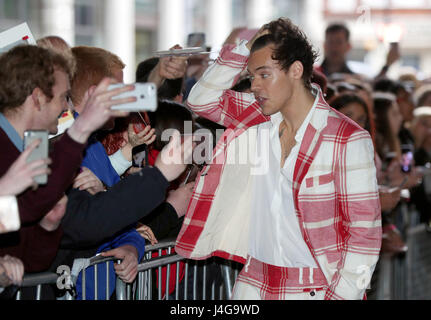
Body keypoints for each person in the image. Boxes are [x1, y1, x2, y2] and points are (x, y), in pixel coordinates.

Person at [176, 18, 381, 300]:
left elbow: (364, 236)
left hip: (315, 288)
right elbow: (200, 99)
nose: (255, 86)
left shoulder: (347, 138)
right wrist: (247, 45)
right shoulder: (256, 117)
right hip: (253, 283)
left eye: (264, 75)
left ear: (296, 70)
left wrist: (343, 296)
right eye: (251, 77)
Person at [0, 45, 133, 272]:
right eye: (64, 97)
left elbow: (26, 252)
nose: (66, 107)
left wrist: (47, 227)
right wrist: (81, 129)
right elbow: (34, 204)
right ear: (38, 97)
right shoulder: (9, 149)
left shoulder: (27, 147)